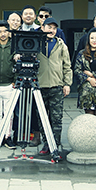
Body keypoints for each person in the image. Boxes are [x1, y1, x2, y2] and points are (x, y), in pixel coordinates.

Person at [37, 17, 72, 155]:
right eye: (49, 27)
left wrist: (67, 83)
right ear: (42, 28)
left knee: (57, 118)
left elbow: (67, 66)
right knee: (42, 117)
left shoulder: (61, 45)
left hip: (57, 86)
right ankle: (46, 143)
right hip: (39, 86)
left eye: (54, 28)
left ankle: (55, 144)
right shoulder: (36, 44)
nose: (51, 30)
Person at [0, 20, 17, 149]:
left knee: (8, 113)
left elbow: (17, 65)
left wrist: (15, 80)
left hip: (9, 84)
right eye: (0, 31)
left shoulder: (14, 45)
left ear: (9, 32)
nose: (3, 34)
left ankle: (8, 136)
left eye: (5, 31)